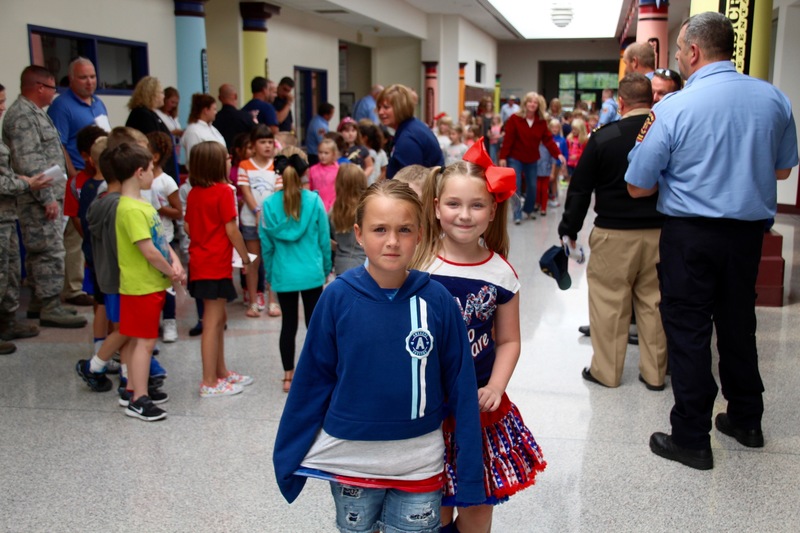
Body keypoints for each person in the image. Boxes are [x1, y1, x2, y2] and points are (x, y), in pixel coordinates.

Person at [625, 12, 798, 470]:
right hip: (747, 236)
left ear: (695, 52)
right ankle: (746, 419)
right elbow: (782, 170)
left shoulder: (674, 107)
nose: (679, 57)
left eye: (680, 50)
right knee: (739, 323)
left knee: (688, 330)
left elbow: (638, 185)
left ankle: (691, 436)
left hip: (690, 235)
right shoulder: (774, 99)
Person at [272, 180, 485, 532]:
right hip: (350, 466)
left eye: (404, 230)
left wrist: (471, 475)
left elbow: (462, 388)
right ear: (358, 234)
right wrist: (288, 453)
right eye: (379, 229)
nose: (391, 241)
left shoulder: (439, 301)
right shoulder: (336, 298)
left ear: (419, 234)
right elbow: (312, 381)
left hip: (419, 464)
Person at [410, 142, 546, 531]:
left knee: (477, 503)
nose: (464, 215)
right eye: (453, 204)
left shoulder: (501, 274)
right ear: (436, 207)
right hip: (426, 408)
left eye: (477, 205)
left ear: (492, 211)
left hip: (477, 409)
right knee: (431, 504)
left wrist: (497, 386)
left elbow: (508, 341)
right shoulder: (419, 264)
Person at [557, 73, 666, 392]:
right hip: (661, 232)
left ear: (620, 102)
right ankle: (655, 373)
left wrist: (570, 229)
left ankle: (607, 372)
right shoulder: (666, 133)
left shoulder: (604, 136)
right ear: (652, 99)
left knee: (609, 303)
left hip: (614, 233)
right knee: (655, 304)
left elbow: (580, 188)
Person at [2, 66, 87, 329]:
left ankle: (42, 301)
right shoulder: (22, 116)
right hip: (37, 198)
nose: (55, 93)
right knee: (48, 251)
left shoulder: (34, 113)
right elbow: (31, 163)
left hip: (43, 195)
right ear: (40, 87)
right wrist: (48, 197)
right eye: (52, 87)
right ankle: (50, 305)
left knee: (45, 250)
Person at [111, 142, 184, 421]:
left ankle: (132, 388)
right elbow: (149, 250)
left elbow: (161, 241)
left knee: (136, 340)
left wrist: (174, 260)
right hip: (141, 285)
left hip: (149, 284)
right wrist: (170, 270)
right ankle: (139, 398)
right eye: (152, 169)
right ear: (139, 172)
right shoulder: (129, 209)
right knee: (144, 342)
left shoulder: (142, 204)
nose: (154, 172)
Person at [184, 141, 253, 398]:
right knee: (212, 323)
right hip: (215, 264)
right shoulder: (224, 191)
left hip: (201, 263)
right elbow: (231, 229)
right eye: (226, 157)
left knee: (219, 318)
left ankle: (221, 371)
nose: (229, 160)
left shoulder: (193, 193)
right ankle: (209, 381)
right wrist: (245, 258)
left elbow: (189, 227)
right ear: (216, 164)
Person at [258, 149, 331, 393]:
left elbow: (266, 246)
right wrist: (326, 267)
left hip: (283, 273)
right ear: (303, 173)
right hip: (311, 272)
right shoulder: (314, 201)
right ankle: (318, 373)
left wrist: (269, 274)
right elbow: (323, 239)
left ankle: (288, 377)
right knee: (315, 325)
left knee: (288, 325)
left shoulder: (268, 206)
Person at [0, 81, 51, 353]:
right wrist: (26, 184)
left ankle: (7, 322)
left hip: (7, 216)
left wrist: (15, 178)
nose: (3, 107)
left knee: (10, 273)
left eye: (3, 101)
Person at [498, 91, 566, 223]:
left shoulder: (541, 122)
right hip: (515, 158)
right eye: (530, 101)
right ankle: (517, 214)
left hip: (532, 159)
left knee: (532, 187)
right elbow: (508, 139)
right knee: (516, 186)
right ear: (525, 103)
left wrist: (558, 153)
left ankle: (528, 210)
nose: (532, 104)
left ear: (538, 105)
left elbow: (548, 140)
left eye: (535, 102)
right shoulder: (514, 119)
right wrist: (503, 157)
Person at [61, 124, 107, 307]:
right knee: (74, 248)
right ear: (85, 156)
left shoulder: (111, 179)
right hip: (82, 229)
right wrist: (86, 235)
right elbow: (74, 216)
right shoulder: (76, 183)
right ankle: (73, 288)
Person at [238, 125, 280, 318]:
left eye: (270, 142)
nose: (267, 146)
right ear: (253, 145)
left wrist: (265, 214)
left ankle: (272, 301)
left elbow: (277, 193)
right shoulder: (245, 165)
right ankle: (254, 302)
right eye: (262, 142)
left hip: (271, 221)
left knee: (271, 261)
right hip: (250, 221)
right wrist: (256, 210)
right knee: (253, 262)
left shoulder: (277, 165)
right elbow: (245, 191)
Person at [144, 132, 182, 342]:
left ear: (155, 156)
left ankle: (170, 321)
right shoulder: (138, 179)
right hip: (143, 238)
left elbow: (178, 212)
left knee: (168, 282)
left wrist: (160, 208)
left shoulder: (166, 182)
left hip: (163, 238)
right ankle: (151, 321)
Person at [47, 57, 110, 177]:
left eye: (92, 76)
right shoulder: (61, 106)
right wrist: (74, 175)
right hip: (81, 172)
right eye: (83, 77)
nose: (89, 82)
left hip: (102, 172)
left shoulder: (98, 103)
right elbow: (59, 146)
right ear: (71, 79)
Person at [377, 84, 443, 179]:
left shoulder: (408, 138)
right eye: (379, 107)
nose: (380, 112)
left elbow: (411, 183)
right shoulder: (413, 127)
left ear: (401, 107)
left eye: (386, 107)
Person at [125, 76, 177, 179]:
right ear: (152, 94)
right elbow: (153, 144)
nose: (164, 96)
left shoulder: (150, 113)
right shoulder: (143, 115)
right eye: (161, 93)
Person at [329, 164, 367, 275]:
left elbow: (325, 238)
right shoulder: (367, 209)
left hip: (341, 264)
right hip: (365, 263)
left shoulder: (334, 210)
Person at [181, 93, 225, 166]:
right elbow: (193, 160)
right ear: (206, 110)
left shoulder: (213, 129)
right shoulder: (193, 132)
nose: (216, 112)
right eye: (214, 109)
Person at [214, 83, 255, 151]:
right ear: (236, 96)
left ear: (219, 98)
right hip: (242, 154)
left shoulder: (215, 119)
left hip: (221, 155)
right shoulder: (245, 117)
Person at [308, 138, 339, 212]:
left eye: (326, 153)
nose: (323, 156)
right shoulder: (312, 169)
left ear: (333, 154)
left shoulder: (338, 170)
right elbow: (310, 188)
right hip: (316, 206)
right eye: (320, 152)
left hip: (333, 208)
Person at [358, 119, 387, 184]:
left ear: (365, 138)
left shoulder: (381, 153)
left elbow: (383, 170)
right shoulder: (357, 152)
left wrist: (377, 183)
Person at [305, 102, 334, 166]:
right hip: (316, 156)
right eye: (332, 113)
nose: (332, 116)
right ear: (326, 114)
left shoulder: (316, 120)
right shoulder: (320, 125)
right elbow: (323, 142)